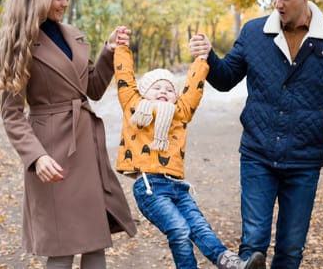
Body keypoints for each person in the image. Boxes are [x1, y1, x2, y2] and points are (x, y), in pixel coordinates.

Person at [189, 0, 323, 269]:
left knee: (290, 250)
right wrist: (209, 58)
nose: (277, 3)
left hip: (304, 160)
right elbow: (227, 78)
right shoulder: (255, 32)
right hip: (257, 153)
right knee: (253, 243)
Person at [0, 0, 136, 269]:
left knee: (95, 241)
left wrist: (108, 51)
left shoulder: (72, 35)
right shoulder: (20, 44)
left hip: (86, 148)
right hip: (52, 155)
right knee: (62, 248)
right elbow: (12, 115)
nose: (64, 3)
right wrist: (36, 158)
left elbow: (91, 88)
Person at [113, 42, 266, 269]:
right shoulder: (134, 107)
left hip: (177, 187)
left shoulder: (180, 113)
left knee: (200, 227)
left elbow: (193, 87)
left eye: (169, 89)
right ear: (143, 92)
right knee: (180, 229)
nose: (163, 91)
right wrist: (121, 48)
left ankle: (233, 264)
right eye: (157, 87)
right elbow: (124, 77)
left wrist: (202, 59)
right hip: (150, 188)